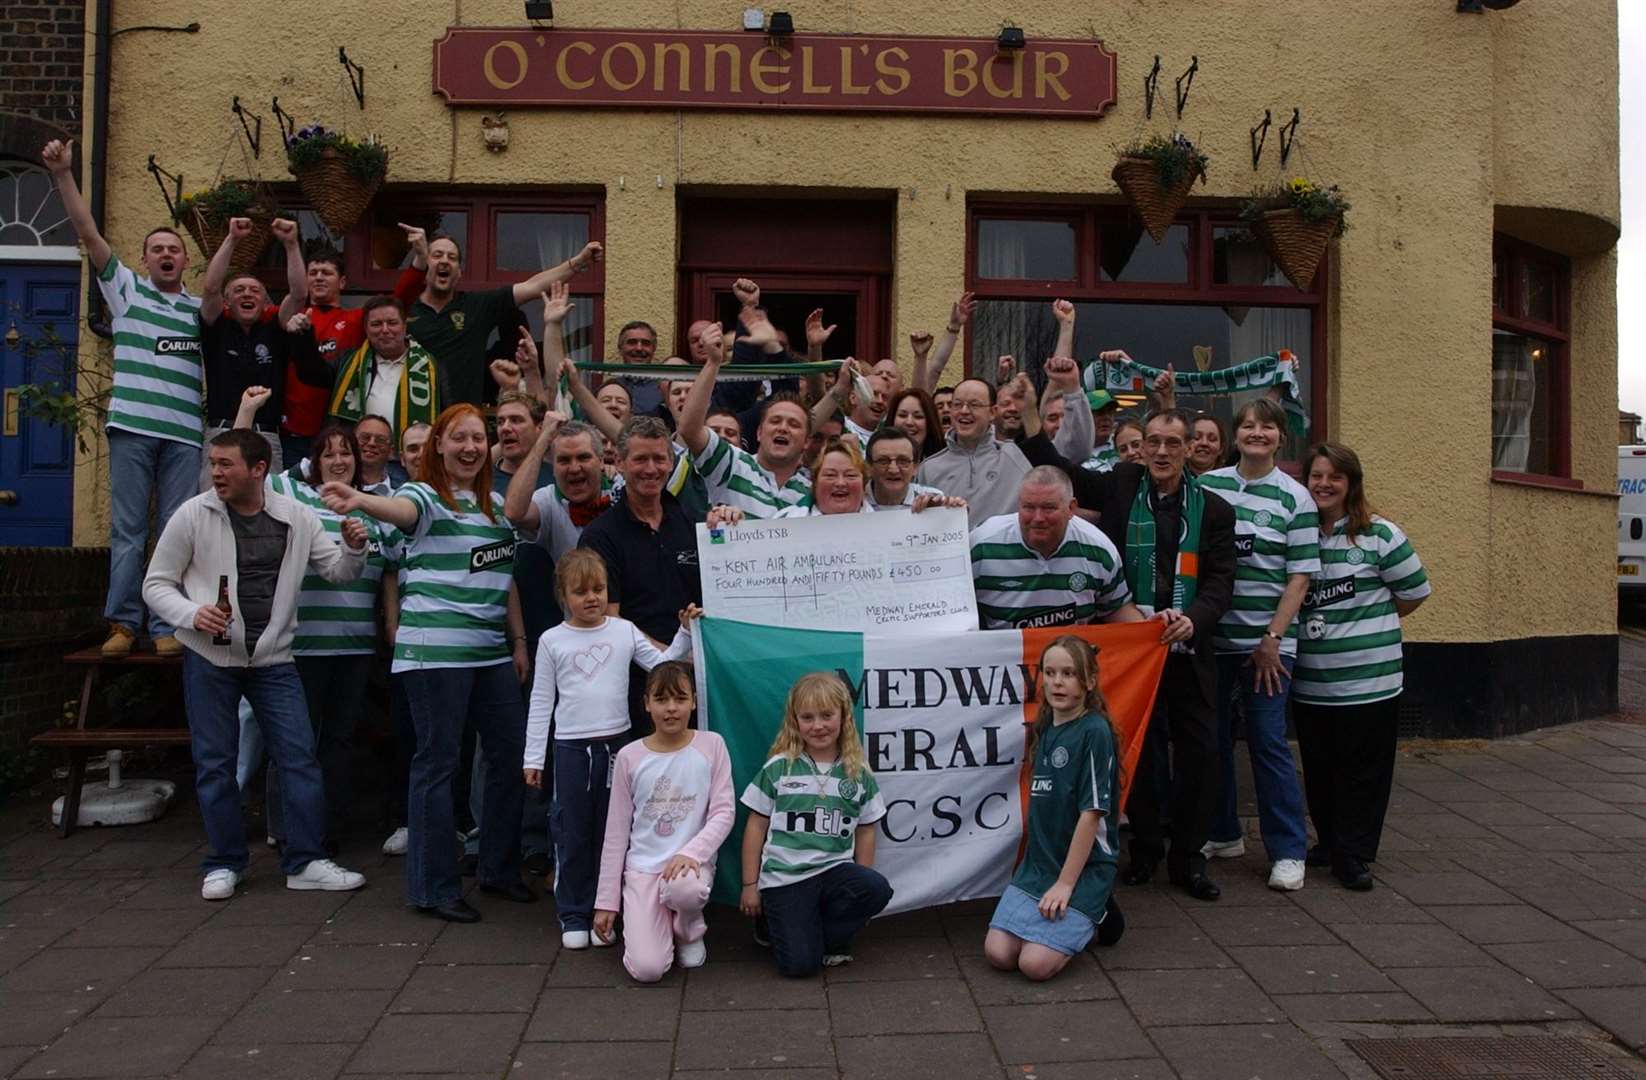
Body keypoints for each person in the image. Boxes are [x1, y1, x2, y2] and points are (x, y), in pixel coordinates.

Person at [1013, 392, 1237, 903]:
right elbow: (1054, 465)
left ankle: (1188, 858)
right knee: (1140, 750)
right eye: (1152, 441)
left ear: (1189, 451)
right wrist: (1029, 415)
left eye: (1172, 443)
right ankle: (1147, 851)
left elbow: (1222, 584)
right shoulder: (1121, 484)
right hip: (1130, 648)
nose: (1160, 451)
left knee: (1201, 754)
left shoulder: (1217, 510)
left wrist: (1193, 620)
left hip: (1186, 649)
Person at [320, 403, 532, 923]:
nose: (469, 447)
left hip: (490, 653)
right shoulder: (420, 494)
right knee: (438, 765)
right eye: (458, 437)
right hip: (433, 653)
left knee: (508, 755)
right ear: (438, 443)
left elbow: (504, 578)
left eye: (478, 438)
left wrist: (519, 639)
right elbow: (402, 516)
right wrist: (363, 502)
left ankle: (498, 869)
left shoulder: (495, 507)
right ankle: (432, 887)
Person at [141, 428, 369, 900]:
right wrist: (190, 613)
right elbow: (156, 584)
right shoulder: (193, 514)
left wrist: (354, 546)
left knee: (299, 759)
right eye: (213, 463)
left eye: (226, 464)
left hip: (274, 660)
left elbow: (338, 572)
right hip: (210, 657)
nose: (215, 473)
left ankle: (304, 861)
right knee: (214, 763)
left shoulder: (297, 517)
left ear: (258, 469)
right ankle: (225, 862)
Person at [45, 138, 201, 658]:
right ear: (144, 258)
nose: (165, 254)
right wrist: (63, 174)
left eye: (173, 249)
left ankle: (166, 624)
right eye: (156, 248)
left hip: (184, 435)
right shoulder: (127, 291)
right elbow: (88, 233)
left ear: (185, 261)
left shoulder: (199, 311)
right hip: (134, 427)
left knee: (175, 532)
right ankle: (123, 624)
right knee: (130, 530)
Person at [522, 549, 697, 948]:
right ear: (562, 595)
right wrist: (533, 757)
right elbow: (540, 700)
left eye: (599, 589)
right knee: (571, 831)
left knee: (613, 831)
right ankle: (573, 914)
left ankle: (607, 911)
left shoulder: (623, 630)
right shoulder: (552, 640)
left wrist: (685, 632)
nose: (592, 598)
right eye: (580, 591)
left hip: (618, 746)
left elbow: (662, 664)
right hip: (569, 749)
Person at [236, 395, 386, 852]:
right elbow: (247, 473)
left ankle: (329, 828)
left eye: (346, 453)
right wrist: (246, 415)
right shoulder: (292, 495)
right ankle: (288, 831)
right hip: (302, 646)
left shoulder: (375, 504)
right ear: (314, 461)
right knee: (294, 743)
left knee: (339, 742)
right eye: (329, 453)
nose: (339, 460)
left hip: (356, 645)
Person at [1294, 443, 1430, 891]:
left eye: (1335, 477)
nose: (1324, 484)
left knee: (1364, 772)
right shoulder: (1299, 534)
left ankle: (1354, 854)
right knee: (1319, 768)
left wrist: (1368, 627)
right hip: (1312, 682)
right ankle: (1329, 841)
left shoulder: (1381, 535)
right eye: (1317, 475)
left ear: (1351, 483)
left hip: (1370, 682)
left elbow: (1413, 593)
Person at [1198, 397, 1321, 892]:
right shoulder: (1207, 486)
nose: (1257, 434)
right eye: (1248, 426)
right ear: (1235, 435)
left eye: (1267, 427)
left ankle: (1289, 850)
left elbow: (1300, 578)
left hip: (1269, 647)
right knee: (1213, 743)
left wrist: (1272, 638)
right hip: (1213, 643)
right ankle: (1224, 833)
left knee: (1268, 744)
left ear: (1280, 437)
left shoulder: (1295, 498)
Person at [985, 636, 1124, 980]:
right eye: (1050, 672)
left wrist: (1065, 884)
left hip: (1081, 869)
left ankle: (1100, 917)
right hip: (1040, 865)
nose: (1057, 682)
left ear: (1089, 682)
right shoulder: (1046, 727)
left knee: (1034, 965)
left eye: (1069, 673)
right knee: (999, 954)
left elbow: (1091, 814)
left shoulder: (1095, 731)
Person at [739, 672, 894, 977]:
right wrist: (749, 885)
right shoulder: (779, 766)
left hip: (833, 871)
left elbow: (865, 830)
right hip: (786, 878)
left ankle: (829, 937)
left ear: (844, 717)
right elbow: (756, 826)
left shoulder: (857, 772)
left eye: (826, 715)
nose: (818, 725)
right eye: (807, 717)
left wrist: (862, 873)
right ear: (794, 720)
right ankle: (772, 924)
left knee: (875, 889)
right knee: (799, 968)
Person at [592, 661, 733, 979]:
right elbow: (616, 832)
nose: (671, 709)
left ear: (694, 701)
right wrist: (607, 902)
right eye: (661, 699)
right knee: (647, 970)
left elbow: (724, 812)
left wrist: (692, 853)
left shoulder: (712, 746)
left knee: (685, 890)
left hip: (690, 868)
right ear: (646, 704)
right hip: (643, 869)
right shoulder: (629, 756)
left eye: (680, 699)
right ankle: (653, 924)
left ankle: (688, 931)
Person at [580, 416, 705, 734]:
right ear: (619, 463)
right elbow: (610, 619)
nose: (651, 469)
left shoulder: (693, 524)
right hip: (635, 689)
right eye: (640, 459)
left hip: (696, 686)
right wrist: (669, 658)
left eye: (659, 458)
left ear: (670, 461)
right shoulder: (600, 536)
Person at [408, 233, 601, 407]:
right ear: (424, 264)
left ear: (459, 273)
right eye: (437, 255)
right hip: (415, 417)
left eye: (452, 258)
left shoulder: (475, 306)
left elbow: (533, 286)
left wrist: (579, 261)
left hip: (463, 424)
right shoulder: (404, 309)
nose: (444, 261)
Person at [283, 230, 427, 464]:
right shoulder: (293, 318)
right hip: (294, 432)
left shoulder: (357, 318)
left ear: (342, 281)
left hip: (339, 427)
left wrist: (420, 262)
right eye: (313, 273)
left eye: (326, 273)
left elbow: (398, 300)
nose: (318, 278)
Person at [197, 216, 312, 484]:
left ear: (264, 302)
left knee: (268, 511)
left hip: (266, 437)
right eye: (238, 290)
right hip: (221, 434)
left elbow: (298, 294)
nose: (247, 294)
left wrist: (292, 244)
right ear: (227, 301)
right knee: (214, 511)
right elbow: (211, 287)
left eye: (254, 291)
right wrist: (233, 239)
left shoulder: (274, 326)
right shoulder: (217, 326)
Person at [969, 467, 1143, 630]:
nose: (1038, 518)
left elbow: (1116, 609)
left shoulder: (1097, 549)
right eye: (1029, 507)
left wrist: (1155, 629)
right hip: (1006, 659)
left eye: (1048, 508)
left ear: (1071, 508)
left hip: (1070, 659)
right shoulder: (982, 546)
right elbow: (954, 611)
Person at [678, 325, 814, 517]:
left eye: (794, 424)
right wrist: (713, 362)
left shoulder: (812, 493)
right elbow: (689, 429)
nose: (783, 428)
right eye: (775, 421)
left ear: (807, 441)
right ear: (759, 432)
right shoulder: (732, 463)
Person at [915, 379, 1030, 527]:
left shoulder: (1016, 456)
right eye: (957, 404)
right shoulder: (929, 468)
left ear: (992, 412)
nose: (964, 411)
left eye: (974, 405)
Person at [327, 296, 440, 444]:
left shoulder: (429, 364)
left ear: (404, 326)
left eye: (392, 323)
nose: (385, 330)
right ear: (366, 329)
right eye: (376, 324)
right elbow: (311, 375)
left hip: (412, 459)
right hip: (361, 458)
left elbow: (447, 413)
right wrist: (304, 335)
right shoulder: (348, 361)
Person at [865, 429, 946, 509]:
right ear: (869, 466)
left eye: (903, 461)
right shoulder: (856, 499)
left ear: (915, 467)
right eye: (883, 461)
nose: (893, 470)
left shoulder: (933, 501)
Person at [887, 387, 945, 461]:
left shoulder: (945, 467)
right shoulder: (875, 464)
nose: (909, 422)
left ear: (930, 424)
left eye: (918, 417)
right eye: (902, 415)